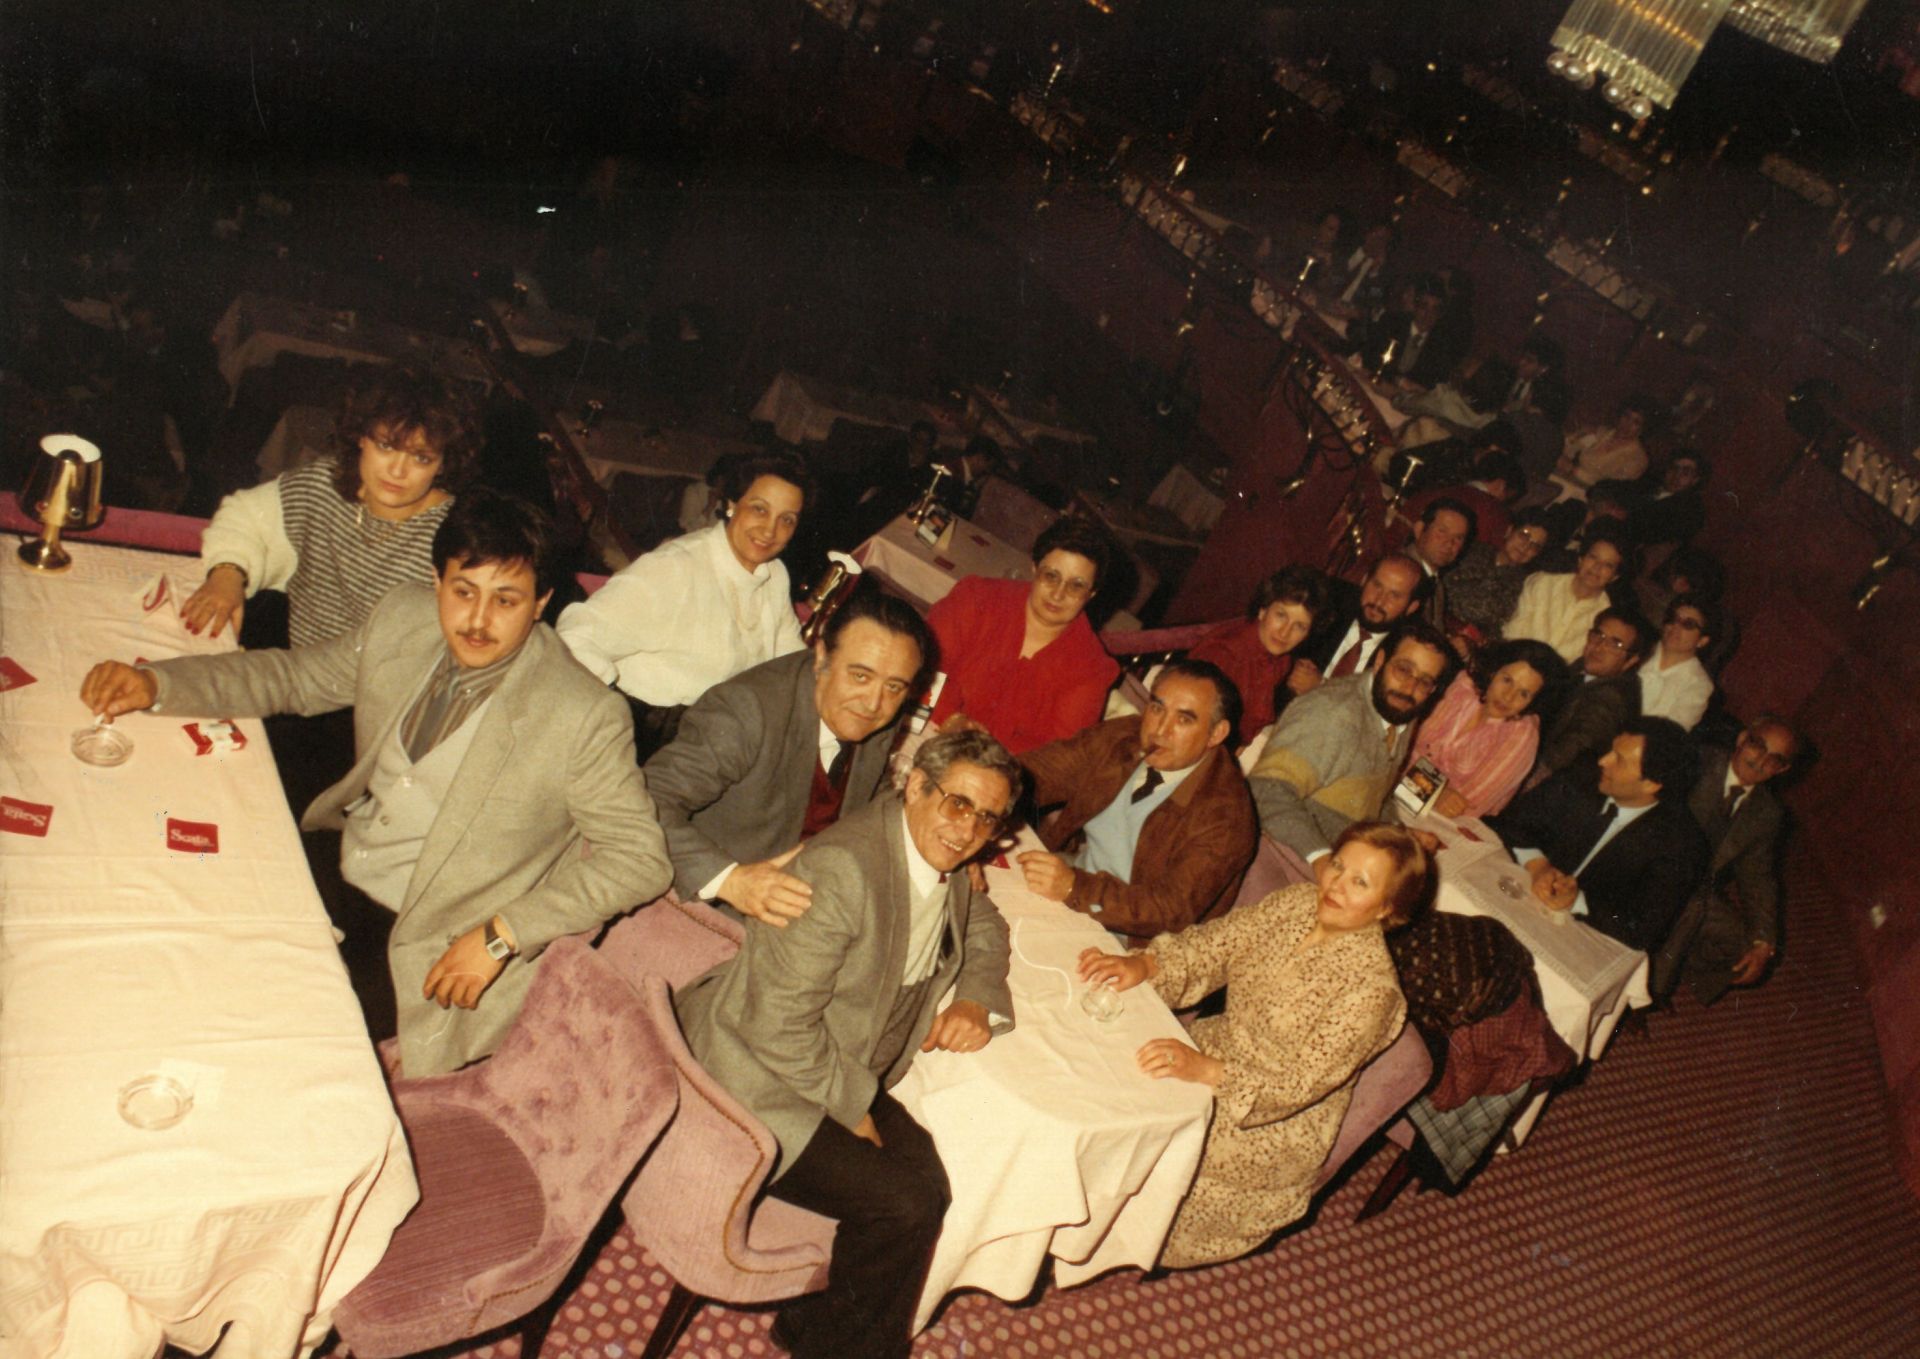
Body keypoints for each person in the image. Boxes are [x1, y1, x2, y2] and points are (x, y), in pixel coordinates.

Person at [80, 492, 672, 1076]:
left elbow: (639, 859)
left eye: (506, 600)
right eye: (463, 591)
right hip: (338, 861)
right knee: (175, 938)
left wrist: (502, 935)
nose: (477, 620)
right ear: (437, 582)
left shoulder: (582, 714)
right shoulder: (403, 619)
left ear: (541, 602)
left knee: (268, 1048)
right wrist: (161, 685)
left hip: (425, 937)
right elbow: (295, 678)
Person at [676, 730, 1019, 1359]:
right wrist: (854, 1109)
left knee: (931, 1186)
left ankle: (813, 1332)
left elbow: (985, 922)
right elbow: (776, 1026)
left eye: (987, 818)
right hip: (754, 1073)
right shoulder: (844, 870)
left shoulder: (937, 854)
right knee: (904, 1207)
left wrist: (976, 996)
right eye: (958, 803)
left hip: (838, 1055)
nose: (969, 829)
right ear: (917, 788)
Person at [1076, 821, 1422, 1267]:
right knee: (1109, 1063)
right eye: (1338, 865)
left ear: (1387, 909)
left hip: (1269, 1121)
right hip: (1217, 1047)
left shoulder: (1372, 993)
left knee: (1147, 1122)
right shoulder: (1298, 903)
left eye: (1360, 882)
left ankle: (1103, 1237)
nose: (1336, 884)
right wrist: (1148, 965)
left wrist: (1205, 1071)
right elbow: (1216, 946)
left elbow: (1296, 1087)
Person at [644, 586, 934, 926]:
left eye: (894, 687)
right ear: (821, 657)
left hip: (807, 902)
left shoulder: (878, 710)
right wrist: (730, 880)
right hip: (707, 908)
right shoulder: (747, 711)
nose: (873, 703)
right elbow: (645, 799)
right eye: (860, 676)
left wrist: (931, 827)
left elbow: (871, 792)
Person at [183, 364, 482, 645]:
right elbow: (244, 513)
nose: (397, 471)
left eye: (421, 458)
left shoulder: (456, 534)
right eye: (385, 446)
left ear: (443, 464)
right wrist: (227, 574)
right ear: (362, 437)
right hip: (301, 671)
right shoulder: (325, 485)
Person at [557, 447, 811, 758]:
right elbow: (575, 636)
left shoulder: (774, 574)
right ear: (732, 505)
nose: (770, 530)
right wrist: (610, 713)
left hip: (716, 736)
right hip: (646, 738)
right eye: (759, 509)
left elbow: (787, 662)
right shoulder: (676, 568)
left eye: (787, 519)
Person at [1017, 660, 1258, 942]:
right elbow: (1039, 773)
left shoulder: (1226, 814)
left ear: (1216, 734)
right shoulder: (1125, 737)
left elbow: (1169, 911)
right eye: (1157, 708)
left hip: (1133, 939)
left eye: (1184, 719)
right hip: (1075, 877)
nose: (1161, 730)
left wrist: (1075, 888)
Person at [1488, 719, 1706, 953]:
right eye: (1611, 750)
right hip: (1514, 896)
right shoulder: (1584, 773)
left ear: (1651, 785)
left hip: (1573, 942)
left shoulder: (1681, 845)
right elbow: (1512, 821)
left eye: (1619, 759)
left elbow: (1641, 928)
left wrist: (1577, 900)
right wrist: (1538, 865)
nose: (1603, 760)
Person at [1249, 619, 1456, 859]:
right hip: (1282, 853)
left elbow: (1374, 798)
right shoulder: (1333, 714)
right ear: (1380, 661)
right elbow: (1265, 791)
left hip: (1345, 850)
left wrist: (1398, 833)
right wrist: (1321, 859)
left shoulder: (1400, 710)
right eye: (1403, 669)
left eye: (1425, 681)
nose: (1410, 687)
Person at [926, 516, 1121, 754]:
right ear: (1034, 568)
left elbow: (1058, 752)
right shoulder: (978, 598)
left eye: (1076, 585)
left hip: (1004, 769)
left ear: (1091, 594)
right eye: (1051, 576)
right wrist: (950, 718)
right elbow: (926, 664)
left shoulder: (1091, 668)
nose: (1058, 594)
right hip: (930, 727)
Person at [1653, 717, 1800, 1004]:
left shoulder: (1768, 813)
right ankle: (1649, 994)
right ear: (1742, 739)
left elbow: (1757, 875)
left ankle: (1667, 960)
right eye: (1758, 746)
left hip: (1696, 886)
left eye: (1774, 759)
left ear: (1782, 769)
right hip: (1648, 860)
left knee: (1743, 949)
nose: (1760, 761)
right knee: (1690, 910)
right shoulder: (1697, 760)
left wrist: (1763, 942)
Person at [1412, 639, 1571, 819]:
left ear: (1534, 701)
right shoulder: (1465, 686)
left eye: (1523, 694)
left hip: (1446, 822)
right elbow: (1408, 750)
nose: (1508, 697)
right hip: (1402, 791)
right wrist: (1435, 791)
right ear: (1493, 671)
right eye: (1507, 680)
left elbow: (1467, 805)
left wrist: (1421, 785)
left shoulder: (1522, 736)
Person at [1187, 564, 1331, 746]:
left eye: (1299, 626)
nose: (1285, 632)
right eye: (1281, 615)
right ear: (1263, 610)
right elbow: (1193, 731)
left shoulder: (1281, 660)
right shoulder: (1225, 656)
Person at [1535, 606, 1653, 780]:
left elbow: (1570, 750)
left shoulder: (1611, 698)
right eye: (1598, 635)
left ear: (1631, 660)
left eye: (1615, 644)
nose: (1599, 647)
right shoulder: (1584, 667)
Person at [1292, 552, 1428, 693]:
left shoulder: (1404, 652)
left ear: (1411, 607)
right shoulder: (1329, 603)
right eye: (1377, 586)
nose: (1379, 600)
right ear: (1364, 580)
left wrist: (1321, 687)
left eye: (1394, 595)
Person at [1504, 522, 1632, 663]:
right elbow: (1513, 633)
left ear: (1614, 577)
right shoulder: (1542, 583)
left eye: (1608, 565)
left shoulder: (1605, 620)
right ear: (1581, 559)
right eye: (1593, 557)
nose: (1597, 567)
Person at [1444, 509, 1553, 645]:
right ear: (1509, 531)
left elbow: (1496, 630)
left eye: (1535, 546)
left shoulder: (1524, 588)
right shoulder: (1470, 550)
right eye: (1524, 535)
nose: (1526, 547)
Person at [1637, 594, 1717, 731]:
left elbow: (1671, 732)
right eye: (1672, 619)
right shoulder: (1640, 647)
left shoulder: (1699, 685)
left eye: (1688, 624)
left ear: (1702, 641)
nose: (1675, 626)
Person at [1401, 497, 1474, 628]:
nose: (1449, 543)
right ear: (1419, 529)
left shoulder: (1436, 584)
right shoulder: (1400, 573)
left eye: (1458, 538)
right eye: (1442, 531)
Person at [1556, 397, 1652, 493]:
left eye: (1636, 422)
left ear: (1643, 429)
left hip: (1589, 496)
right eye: (1626, 416)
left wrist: (1574, 471)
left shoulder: (1638, 459)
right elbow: (1570, 447)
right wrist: (1565, 455)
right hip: (1563, 481)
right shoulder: (1600, 434)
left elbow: (1610, 489)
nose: (1627, 425)